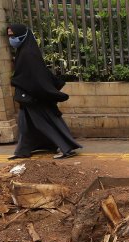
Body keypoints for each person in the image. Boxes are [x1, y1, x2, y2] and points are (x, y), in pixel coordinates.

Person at [7, 24, 82, 160]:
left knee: (45, 123)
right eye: (10, 36)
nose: (12, 39)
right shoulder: (24, 51)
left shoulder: (28, 54)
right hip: (29, 97)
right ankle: (22, 151)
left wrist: (17, 82)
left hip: (35, 97)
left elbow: (36, 76)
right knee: (25, 125)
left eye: (14, 35)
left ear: (23, 35)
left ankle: (66, 148)